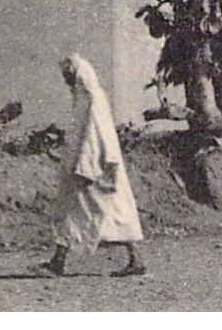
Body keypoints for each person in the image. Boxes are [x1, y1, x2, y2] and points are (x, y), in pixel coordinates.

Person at [38, 54, 145, 278]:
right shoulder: (84, 98)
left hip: (95, 166)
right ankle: (59, 260)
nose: (67, 81)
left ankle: (135, 258)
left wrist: (89, 164)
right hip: (87, 165)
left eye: (69, 76)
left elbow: (98, 135)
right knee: (78, 210)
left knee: (103, 210)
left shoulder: (93, 100)